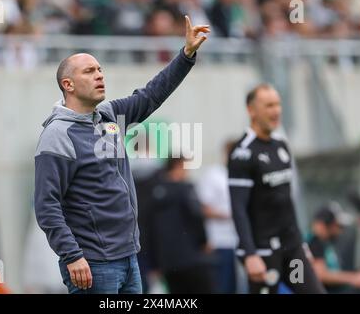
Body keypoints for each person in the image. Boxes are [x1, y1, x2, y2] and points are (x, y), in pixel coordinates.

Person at [34, 15, 210, 294]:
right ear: (68, 85)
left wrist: (186, 54)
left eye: (100, 69)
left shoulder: (109, 115)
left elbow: (152, 94)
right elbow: (47, 205)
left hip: (129, 257)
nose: (99, 75)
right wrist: (72, 255)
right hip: (93, 263)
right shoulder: (57, 135)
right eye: (89, 71)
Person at [228, 83, 326, 294]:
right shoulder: (243, 154)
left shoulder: (281, 146)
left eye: (278, 104)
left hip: (292, 250)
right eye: (269, 105)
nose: (276, 111)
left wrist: (301, 243)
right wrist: (250, 253)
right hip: (263, 252)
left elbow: (286, 201)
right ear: (251, 110)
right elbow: (238, 208)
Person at [145, 157, 215, 294]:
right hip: (191, 258)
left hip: (167, 261)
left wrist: (154, 262)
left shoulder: (153, 192)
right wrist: (204, 241)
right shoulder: (185, 189)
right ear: (178, 166)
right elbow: (196, 216)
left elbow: (149, 229)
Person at [197, 140, 239, 293]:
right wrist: (231, 214)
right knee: (222, 287)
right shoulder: (213, 174)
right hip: (220, 241)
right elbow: (203, 208)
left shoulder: (240, 175)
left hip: (238, 242)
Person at [308, 204, 360, 293]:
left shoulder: (324, 243)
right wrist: (354, 278)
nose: (340, 230)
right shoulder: (314, 241)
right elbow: (320, 274)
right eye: (337, 226)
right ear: (325, 224)